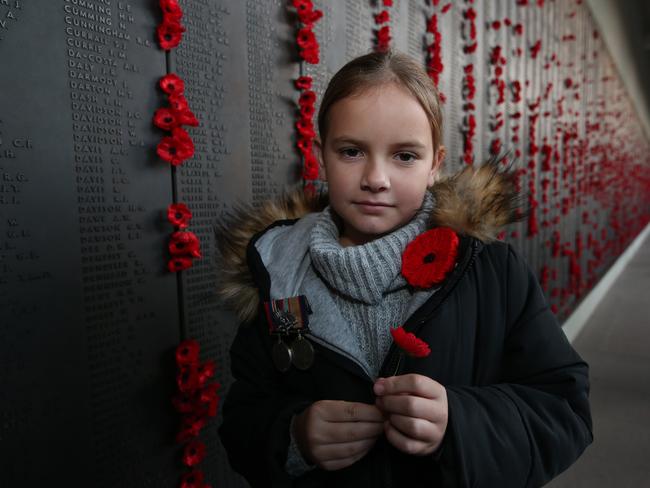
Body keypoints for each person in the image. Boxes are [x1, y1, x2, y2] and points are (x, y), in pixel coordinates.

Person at [217, 50, 593, 487]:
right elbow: (244, 418)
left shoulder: (492, 272)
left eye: (405, 156)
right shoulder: (278, 279)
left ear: (435, 163)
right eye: (352, 151)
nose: (376, 177)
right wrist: (294, 435)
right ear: (322, 155)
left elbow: (564, 410)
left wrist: (459, 423)